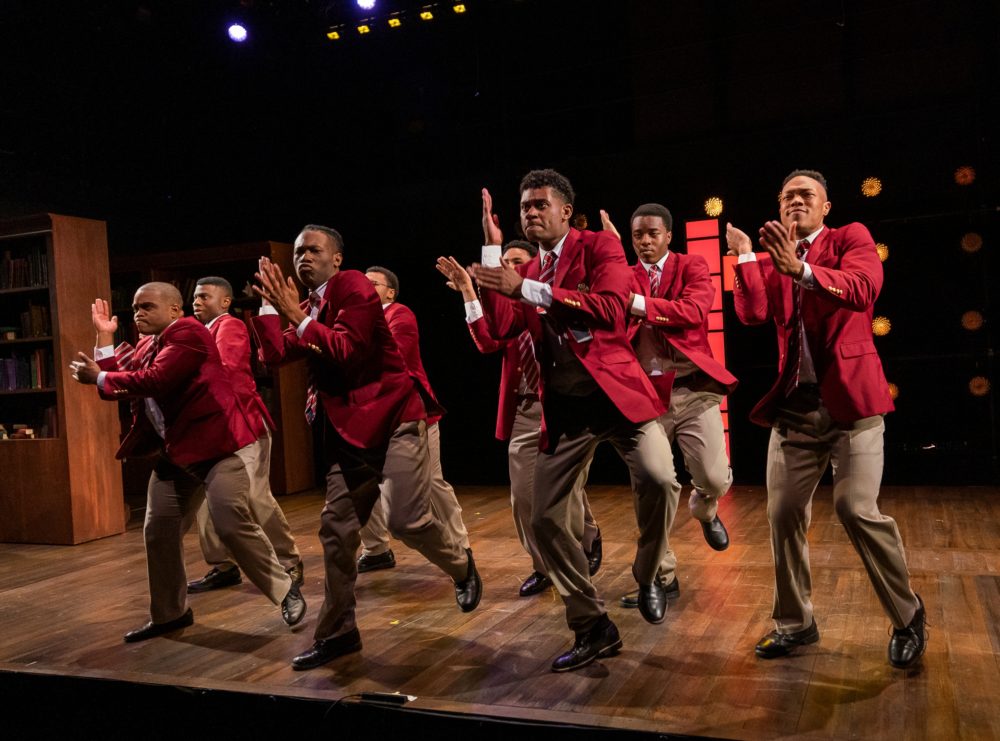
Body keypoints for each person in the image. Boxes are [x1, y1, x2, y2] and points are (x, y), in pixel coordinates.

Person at [470, 169, 681, 672]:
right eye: (524, 206)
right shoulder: (525, 265)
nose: (530, 212)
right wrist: (491, 253)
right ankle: (592, 625)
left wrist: (530, 289)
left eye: (541, 205)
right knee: (542, 519)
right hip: (567, 409)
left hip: (617, 396)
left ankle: (649, 573)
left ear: (566, 211)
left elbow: (610, 309)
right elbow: (500, 327)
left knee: (660, 477)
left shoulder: (599, 249)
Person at [252, 224, 482, 671]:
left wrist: (295, 317)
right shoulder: (308, 305)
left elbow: (349, 350)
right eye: (298, 252)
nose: (303, 258)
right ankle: (339, 632)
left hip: (394, 415)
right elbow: (273, 356)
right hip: (347, 432)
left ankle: (461, 566)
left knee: (406, 521)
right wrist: (268, 304)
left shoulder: (354, 284)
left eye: (313, 250)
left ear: (336, 258)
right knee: (337, 534)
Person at [727, 169, 925, 669]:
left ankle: (907, 616)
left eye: (805, 194)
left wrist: (803, 271)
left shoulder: (849, 238)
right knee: (782, 514)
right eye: (787, 194)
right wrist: (747, 256)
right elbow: (753, 313)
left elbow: (863, 289)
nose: (795, 201)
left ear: (825, 206)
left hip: (852, 407)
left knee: (855, 508)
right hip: (795, 408)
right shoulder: (776, 254)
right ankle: (796, 622)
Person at [69, 283, 305, 642]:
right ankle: (170, 614)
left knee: (229, 521)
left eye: (147, 306)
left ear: (175, 310)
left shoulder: (188, 333)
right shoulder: (150, 343)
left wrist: (99, 376)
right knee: (159, 532)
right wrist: (104, 337)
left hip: (215, 451)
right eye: (135, 307)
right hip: (175, 455)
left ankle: (284, 586)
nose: (138, 313)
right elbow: (118, 384)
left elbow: (156, 380)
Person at [437, 244, 603, 598]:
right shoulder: (505, 312)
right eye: (505, 263)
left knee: (566, 489)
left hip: (565, 404)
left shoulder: (553, 297)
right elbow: (486, 341)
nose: (509, 267)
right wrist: (470, 291)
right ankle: (543, 564)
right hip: (526, 411)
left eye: (517, 262)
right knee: (523, 498)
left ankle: (585, 540)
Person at [600, 205, 738, 609]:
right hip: (645, 395)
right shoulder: (624, 275)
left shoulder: (691, 266)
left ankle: (706, 508)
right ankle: (660, 575)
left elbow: (693, 312)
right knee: (652, 486)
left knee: (712, 477)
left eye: (652, 234)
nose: (644, 241)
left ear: (668, 235)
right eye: (637, 235)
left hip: (693, 389)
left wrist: (637, 305)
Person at [185, 276, 304, 593]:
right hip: (212, 427)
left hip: (243, 423)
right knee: (209, 497)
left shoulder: (231, 326)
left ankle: (288, 560)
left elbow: (225, 368)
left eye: (204, 296)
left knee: (253, 495)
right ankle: (223, 565)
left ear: (224, 302)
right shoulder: (198, 331)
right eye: (195, 296)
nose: (196, 301)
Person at [355, 265, 471, 573]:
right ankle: (376, 549)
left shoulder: (399, 313)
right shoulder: (355, 321)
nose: (364, 289)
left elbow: (394, 358)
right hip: (370, 419)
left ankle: (461, 546)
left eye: (373, 284)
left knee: (431, 483)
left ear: (389, 292)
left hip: (411, 415)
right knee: (361, 484)